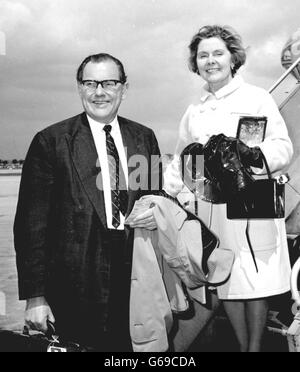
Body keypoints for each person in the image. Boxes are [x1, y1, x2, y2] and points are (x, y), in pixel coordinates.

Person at [14, 53, 161, 351]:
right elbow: (31, 226)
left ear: (124, 88)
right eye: (90, 83)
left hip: (133, 276)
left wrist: (156, 211)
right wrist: (35, 297)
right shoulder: (50, 141)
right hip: (74, 282)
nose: (99, 92)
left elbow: (155, 196)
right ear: (79, 88)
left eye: (109, 83)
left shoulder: (144, 138)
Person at [164, 25, 293, 352]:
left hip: (254, 204)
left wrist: (252, 155)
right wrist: (168, 193)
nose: (210, 61)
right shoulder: (195, 111)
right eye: (203, 55)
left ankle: (254, 348)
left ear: (233, 58)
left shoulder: (257, 98)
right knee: (228, 281)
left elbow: (283, 148)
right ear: (196, 62)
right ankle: (242, 347)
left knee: (257, 282)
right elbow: (184, 161)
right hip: (213, 208)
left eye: (217, 53)